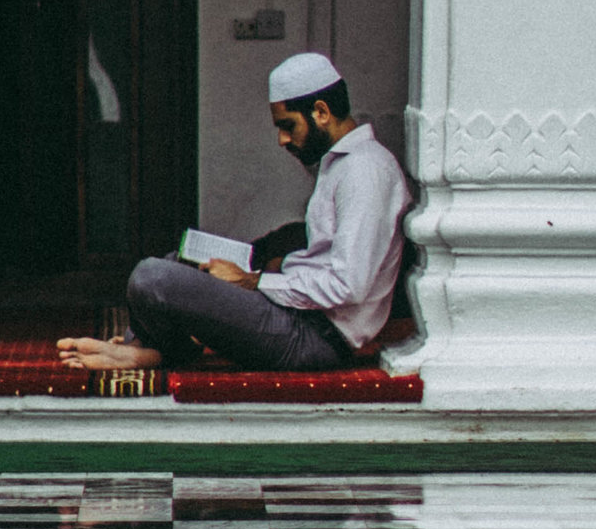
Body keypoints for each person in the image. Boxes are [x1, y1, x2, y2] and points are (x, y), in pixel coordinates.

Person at [59, 49, 411, 377]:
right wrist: (271, 268)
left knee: (152, 277)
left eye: (288, 126)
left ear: (320, 112)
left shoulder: (366, 171)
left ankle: (153, 351)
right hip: (297, 317)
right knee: (182, 261)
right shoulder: (341, 165)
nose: (283, 141)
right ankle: (145, 348)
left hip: (315, 339)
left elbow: (348, 287)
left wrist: (254, 281)